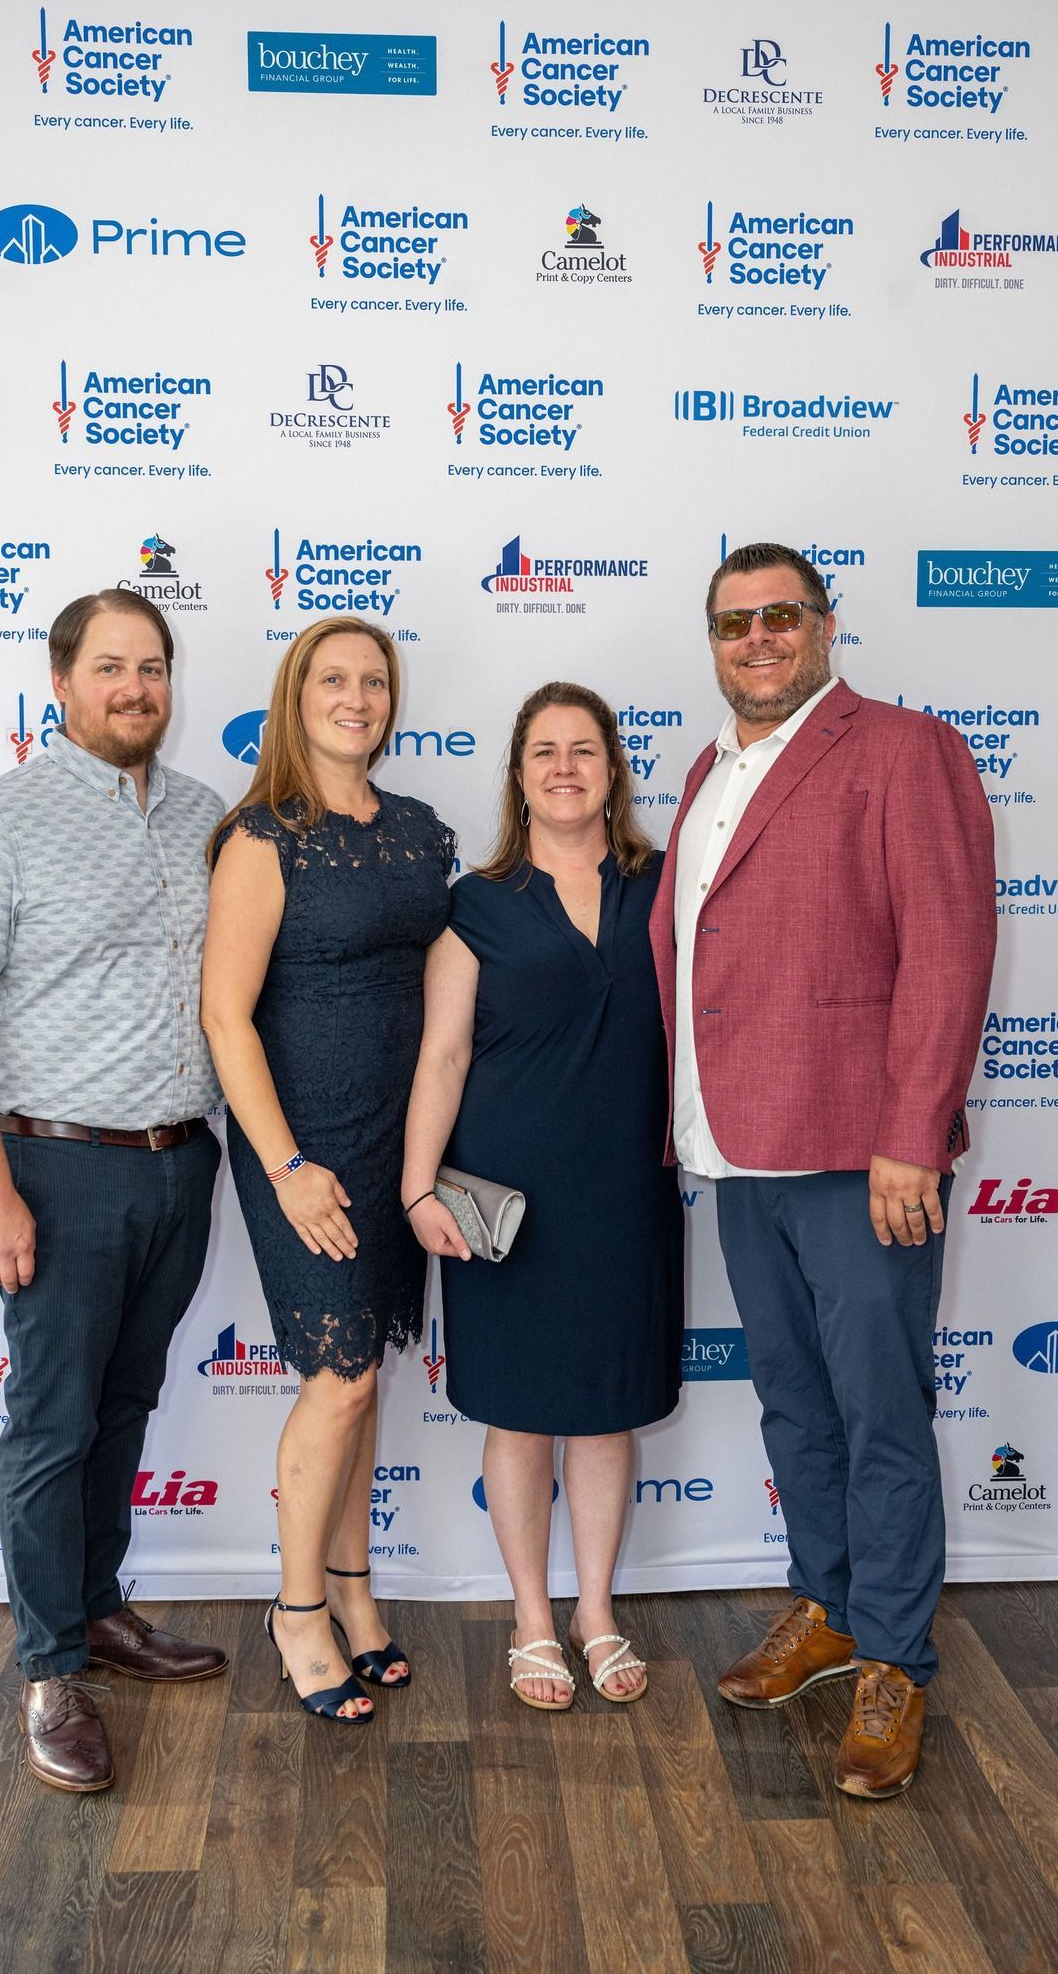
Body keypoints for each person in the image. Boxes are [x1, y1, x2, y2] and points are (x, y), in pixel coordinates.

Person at [649, 541, 996, 1797]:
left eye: (781, 616)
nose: (759, 638)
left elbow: (949, 953)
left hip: (861, 1152)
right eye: (736, 621)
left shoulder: (905, 749)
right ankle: (831, 1607)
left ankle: (897, 1653)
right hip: (737, 1148)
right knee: (796, 1405)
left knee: (881, 1411)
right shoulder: (706, 768)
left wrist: (913, 1132)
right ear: (714, 640)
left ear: (824, 624)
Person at [0, 587, 228, 1795]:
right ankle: (52, 1667)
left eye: (152, 666)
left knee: (127, 1399)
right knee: (51, 1423)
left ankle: (100, 1607)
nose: (135, 687)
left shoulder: (206, 814)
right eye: (110, 667)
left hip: (179, 1160)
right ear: (61, 682)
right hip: (54, 1164)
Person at [405, 683, 683, 1711]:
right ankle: (531, 1615)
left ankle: (595, 1608)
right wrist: (415, 1185)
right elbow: (441, 1054)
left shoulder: (665, 886)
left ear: (614, 768)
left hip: (627, 1189)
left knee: (606, 1415)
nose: (564, 767)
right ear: (518, 776)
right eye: (542, 752)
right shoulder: (476, 901)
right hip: (503, 1199)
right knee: (521, 1416)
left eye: (583, 749)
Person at [201, 617, 454, 1725]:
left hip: (400, 1149)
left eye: (375, 680)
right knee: (340, 1375)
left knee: (367, 1377)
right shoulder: (264, 836)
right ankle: (296, 1606)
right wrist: (290, 1163)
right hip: (302, 1148)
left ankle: (353, 1589)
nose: (357, 696)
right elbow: (224, 1013)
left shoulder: (418, 830)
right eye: (333, 679)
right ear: (295, 696)